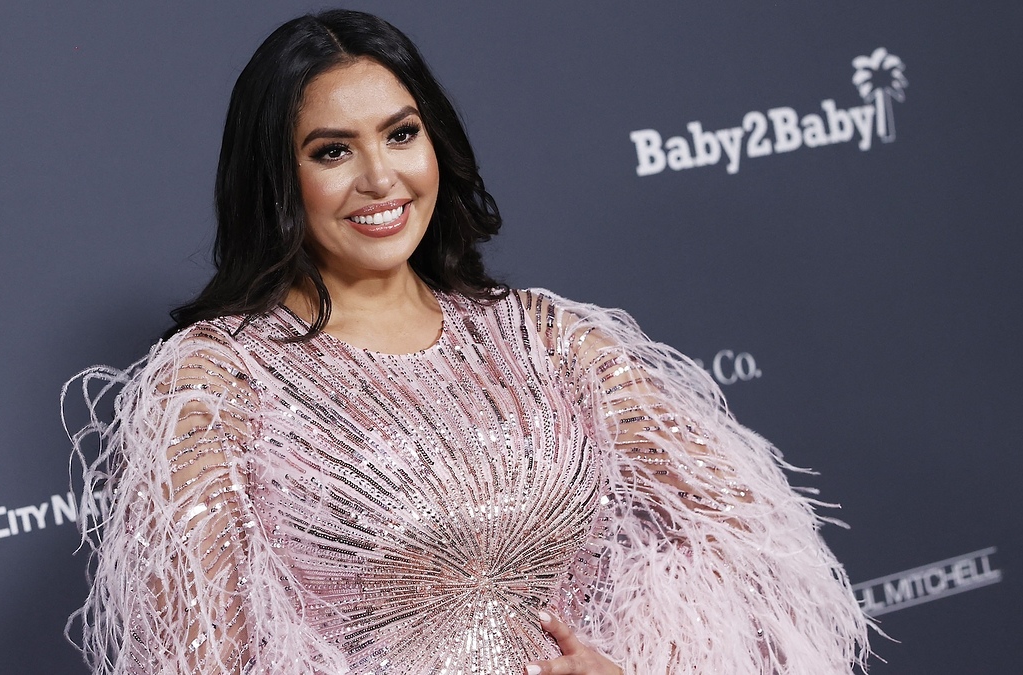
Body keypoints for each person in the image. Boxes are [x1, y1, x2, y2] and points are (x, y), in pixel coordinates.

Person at [66, 9, 870, 675]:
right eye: (333, 150)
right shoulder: (218, 383)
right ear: (276, 178)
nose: (380, 178)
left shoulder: (549, 338)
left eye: (401, 134)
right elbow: (200, 657)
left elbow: (748, 541)